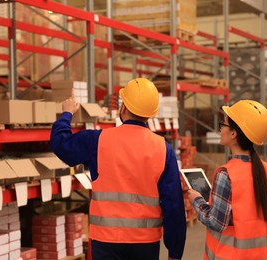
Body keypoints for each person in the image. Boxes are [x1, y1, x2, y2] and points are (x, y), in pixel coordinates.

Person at [50, 78, 186, 260]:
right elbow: (174, 205)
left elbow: (61, 145)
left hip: (106, 241)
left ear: (123, 107)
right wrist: (175, 253)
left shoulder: (98, 141)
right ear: (150, 114)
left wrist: (67, 114)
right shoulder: (163, 148)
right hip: (145, 244)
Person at [187, 100, 267, 260]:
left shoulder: (226, 174)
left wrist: (197, 201)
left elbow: (215, 222)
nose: (220, 128)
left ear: (233, 133)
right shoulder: (266, 170)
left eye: (223, 124)